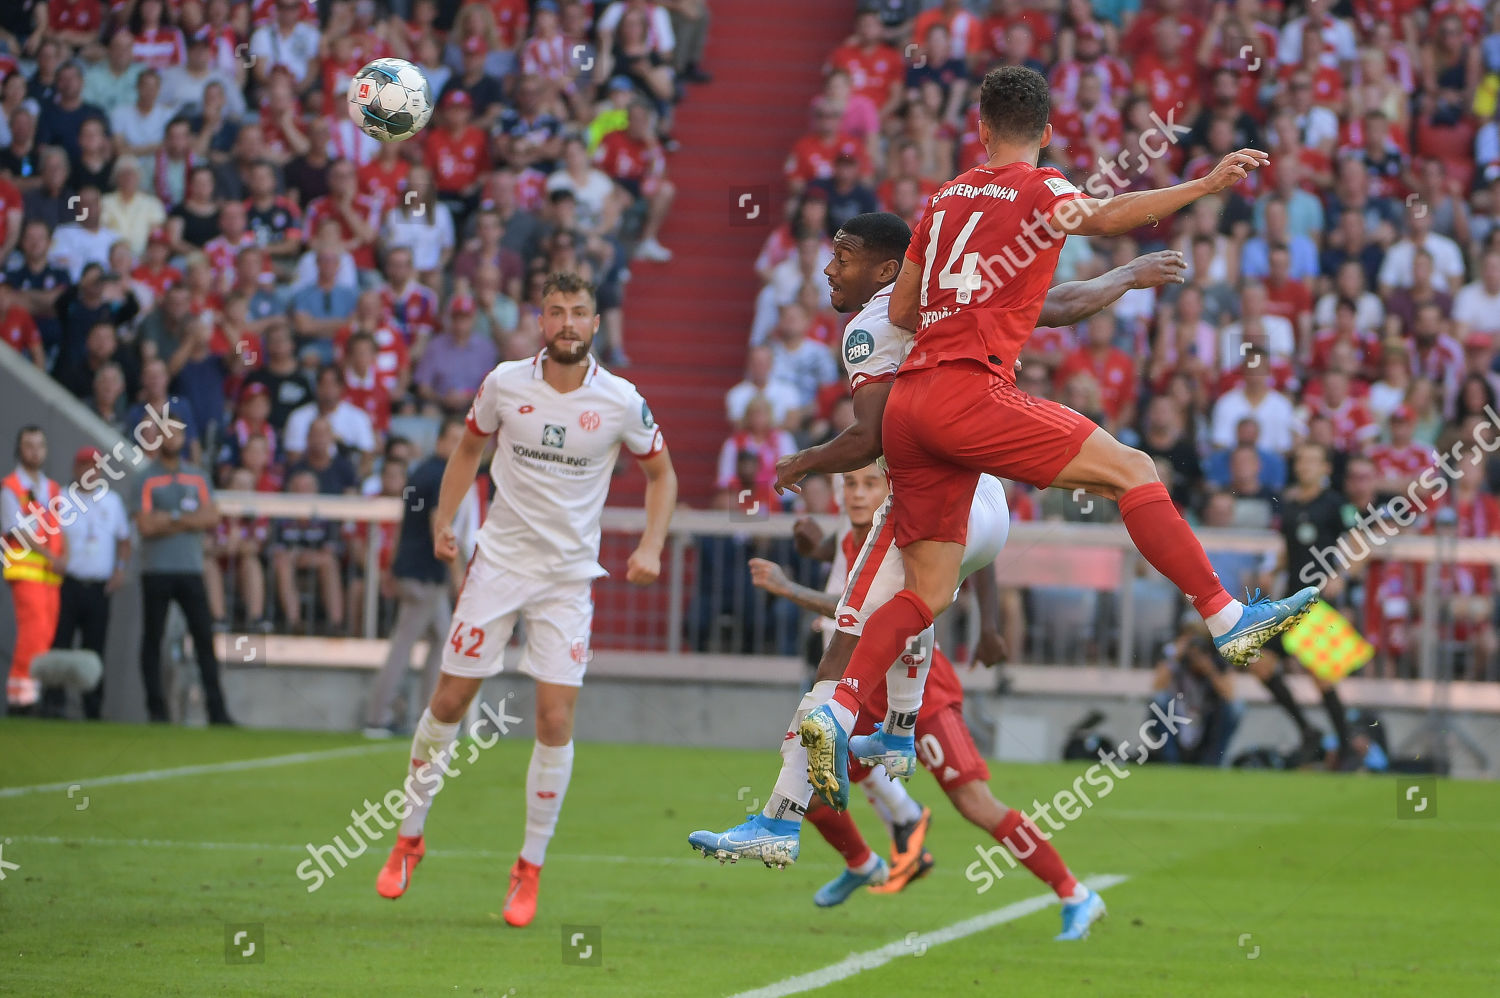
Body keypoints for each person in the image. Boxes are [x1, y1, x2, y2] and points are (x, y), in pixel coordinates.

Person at [791, 69, 1316, 807]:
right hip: (970, 392)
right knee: (1133, 468)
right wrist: (1202, 185)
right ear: (1044, 132)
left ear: (977, 129)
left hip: (907, 409)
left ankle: (838, 710)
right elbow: (1109, 215)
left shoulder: (941, 201)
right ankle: (1227, 618)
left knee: (929, 589)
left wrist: (972, 302)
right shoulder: (1043, 190)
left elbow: (904, 310)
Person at [687, 212, 1183, 938]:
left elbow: (871, 438)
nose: (830, 270)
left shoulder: (867, 331)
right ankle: (872, 767)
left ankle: (802, 810)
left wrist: (801, 463)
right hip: (981, 503)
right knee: (891, 614)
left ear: (889, 270)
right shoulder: (963, 295)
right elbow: (1057, 305)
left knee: (854, 654)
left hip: (947, 497)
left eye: (844, 259)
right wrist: (1127, 277)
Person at [375, 272, 678, 929]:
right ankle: (409, 838)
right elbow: (467, 450)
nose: (567, 322)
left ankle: (529, 868)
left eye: (579, 312)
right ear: (541, 321)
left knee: (552, 721)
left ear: (596, 324)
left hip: (568, 580)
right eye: (556, 311)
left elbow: (662, 473)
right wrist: (443, 518)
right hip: (499, 567)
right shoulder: (505, 383)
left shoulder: (622, 400)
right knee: (450, 700)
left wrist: (652, 543)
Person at [741, 462, 1093, 931]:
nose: (859, 494)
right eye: (851, 483)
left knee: (975, 804)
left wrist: (788, 588)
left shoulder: (911, 528)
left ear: (890, 488)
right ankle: (863, 863)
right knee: (811, 785)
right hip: (864, 686)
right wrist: (813, 546)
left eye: (871, 484)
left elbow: (869, 607)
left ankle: (1074, 893)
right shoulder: (852, 528)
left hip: (917, 684)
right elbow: (840, 557)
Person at [364, 418, 467, 737]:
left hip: (416, 571)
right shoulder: (439, 475)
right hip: (425, 575)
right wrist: (458, 574)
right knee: (404, 644)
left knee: (439, 639)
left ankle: (429, 716)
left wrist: (393, 567)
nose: (459, 445)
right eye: (453, 438)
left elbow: (403, 525)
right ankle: (377, 717)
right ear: (440, 440)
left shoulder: (422, 472)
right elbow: (440, 524)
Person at [131, 416, 234, 725]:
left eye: (176, 433)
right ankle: (156, 711)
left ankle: (217, 712)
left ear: (185, 438)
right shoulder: (145, 478)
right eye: (166, 433)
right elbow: (146, 525)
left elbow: (212, 517)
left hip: (190, 569)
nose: (171, 438)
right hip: (156, 570)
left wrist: (170, 518)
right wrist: (188, 519)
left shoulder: (198, 477)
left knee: (204, 638)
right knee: (153, 639)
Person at [50, 446, 132, 720]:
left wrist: (120, 569)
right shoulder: (60, 498)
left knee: (94, 649)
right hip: (67, 584)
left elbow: (124, 539)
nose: (89, 471)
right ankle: (54, 704)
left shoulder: (112, 501)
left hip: (99, 587)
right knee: (60, 644)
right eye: (83, 465)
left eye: (94, 466)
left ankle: (92, 708)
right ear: (76, 469)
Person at [1, 426, 67, 710]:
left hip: (50, 575)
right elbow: (16, 530)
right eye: (29, 445)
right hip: (26, 570)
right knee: (33, 632)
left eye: (39, 445)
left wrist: (63, 557)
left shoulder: (52, 488)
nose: (35, 451)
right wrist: (51, 557)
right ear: (19, 449)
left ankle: (31, 695)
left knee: (45, 635)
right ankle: (20, 700)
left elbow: (60, 529)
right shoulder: (10, 487)